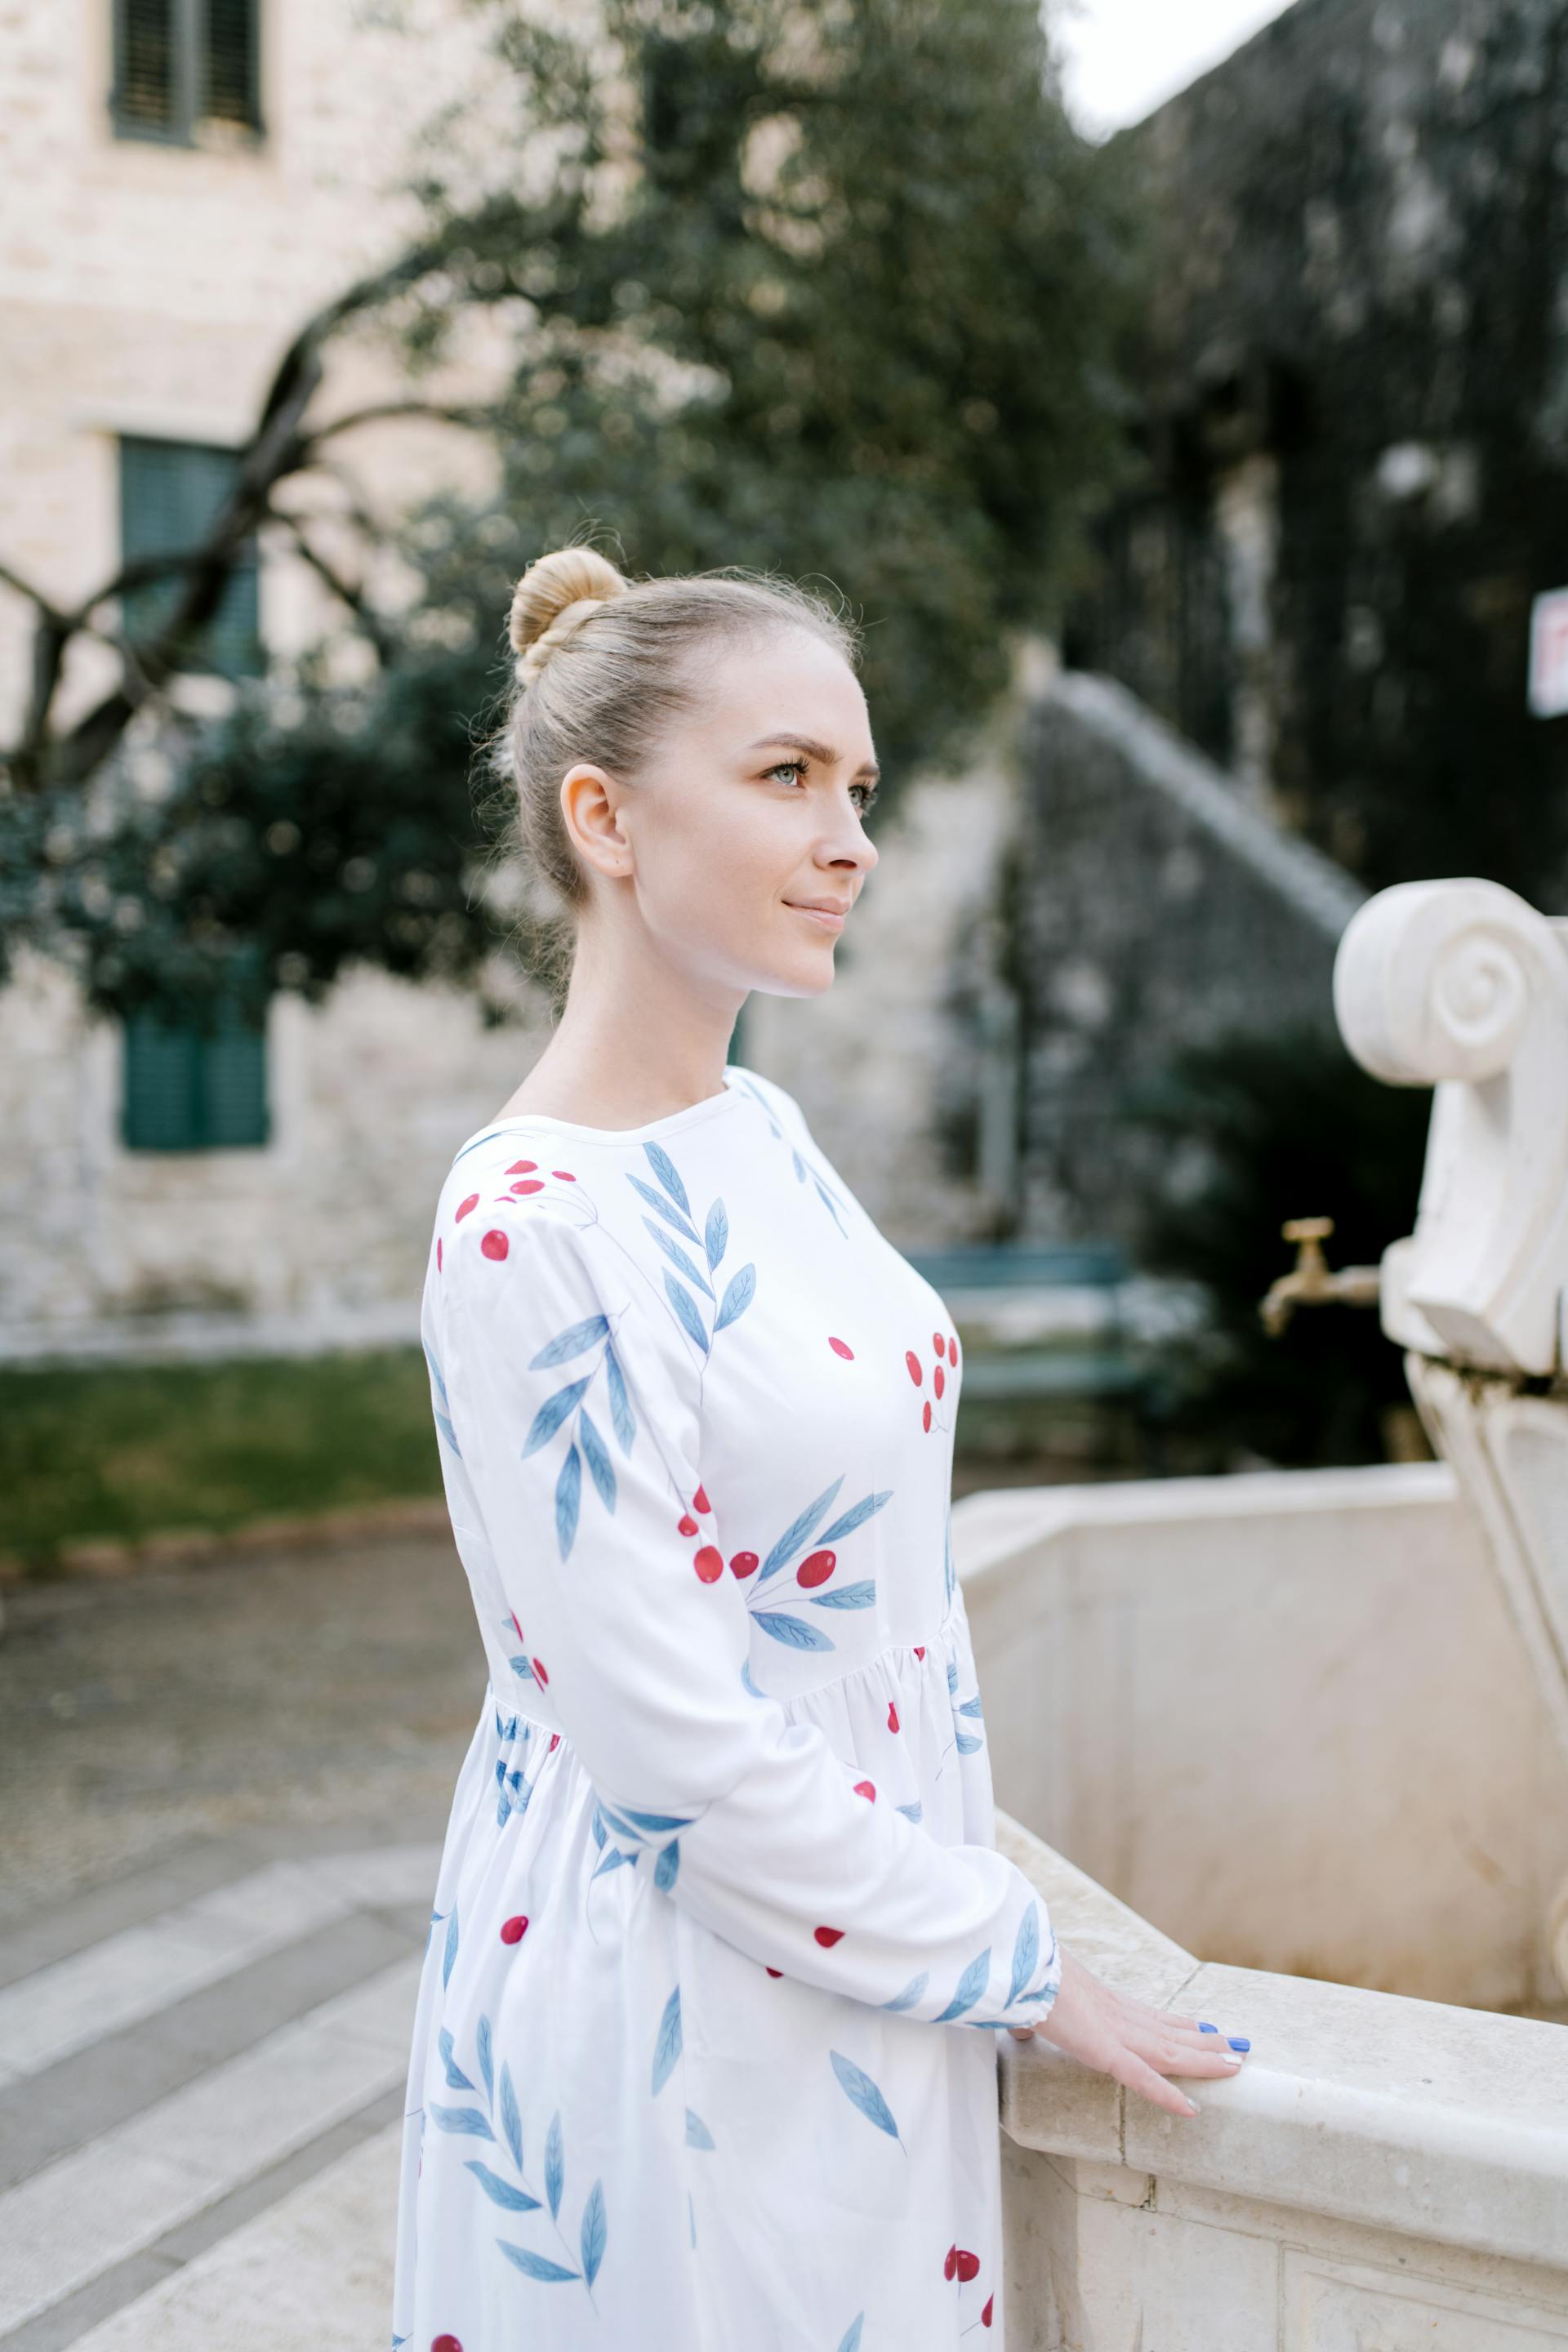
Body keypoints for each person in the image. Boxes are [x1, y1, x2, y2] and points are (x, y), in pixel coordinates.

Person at [390, 546, 1250, 2352]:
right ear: (606, 817)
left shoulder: (763, 1130)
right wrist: (1017, 1954)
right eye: (787, 777)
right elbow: (663, 1741)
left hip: (867, 1950)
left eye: (856, 784)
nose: (850, 833)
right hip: (681, 1988)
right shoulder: (530, 1224)